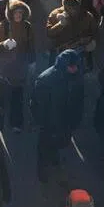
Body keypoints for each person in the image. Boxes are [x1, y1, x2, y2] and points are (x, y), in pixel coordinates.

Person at [30, 49, 85, 181]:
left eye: (76, 66)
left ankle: (54, 159)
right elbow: (36, 104)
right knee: (44, 149)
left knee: (59, 144)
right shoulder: (46, 80)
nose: (75, 68)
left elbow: (79, 101)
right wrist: (42, 122)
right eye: (72, 66)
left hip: (66, 124)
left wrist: (75, 120)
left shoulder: (76, 78)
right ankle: (42, 171)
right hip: (49, 125)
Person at [0, 0, 35, 133]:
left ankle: (16, 123)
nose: (18, 15)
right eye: (16, 12)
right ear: (10, 13)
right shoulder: (2, 26)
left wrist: (32, 61)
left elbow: (31, 46)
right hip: (5, 67)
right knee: (2, 95)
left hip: (20, 67)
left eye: (21, 13)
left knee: (18, 96)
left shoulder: (28, 27)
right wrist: (4, 44)